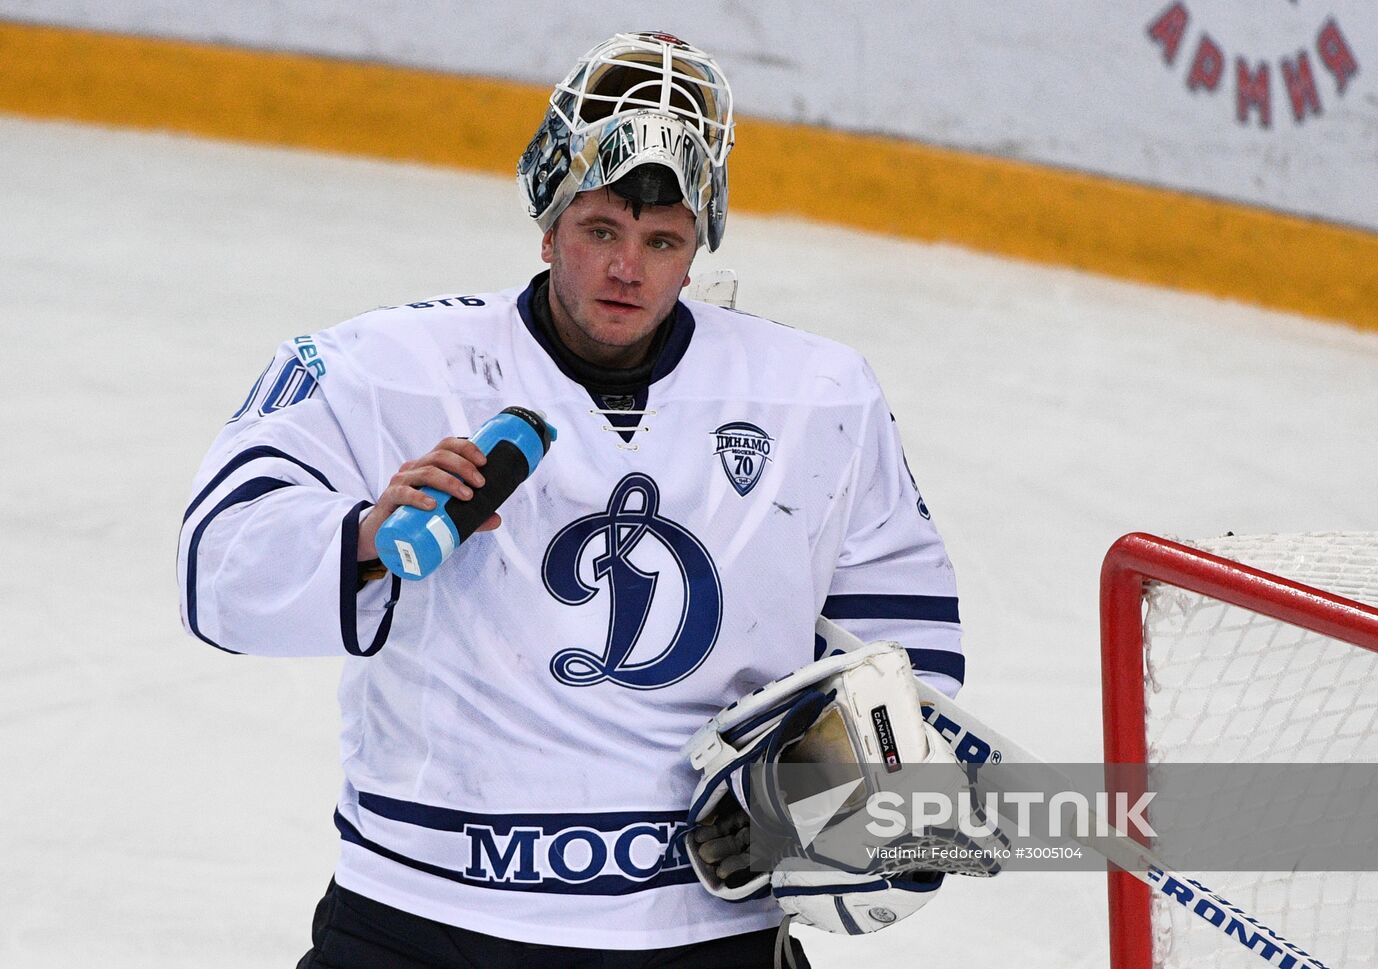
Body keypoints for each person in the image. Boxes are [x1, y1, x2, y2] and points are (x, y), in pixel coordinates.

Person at [178, 30, 964, 969]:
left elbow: (905, 647)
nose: (626, 268)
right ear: (547, 225)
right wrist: (362, 537)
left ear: (695, 248)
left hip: (700, 927)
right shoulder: (387, 369)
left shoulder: (818, 396)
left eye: (661, 240)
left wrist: (859, 783)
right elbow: (216, 567)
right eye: (600, 231)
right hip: (424, 917)